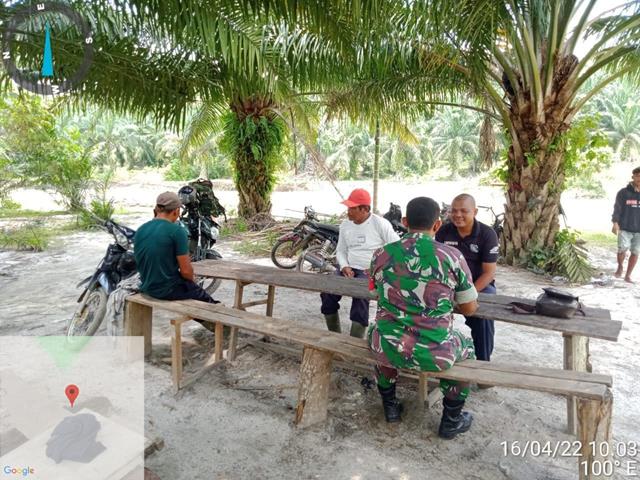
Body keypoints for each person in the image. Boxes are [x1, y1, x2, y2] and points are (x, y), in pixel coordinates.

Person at [368, 196, 478, 439]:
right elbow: (470, 308)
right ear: (437, 225)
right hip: (436, 354)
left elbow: (376, 293)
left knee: (378, 332)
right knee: (467, 345)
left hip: (387, 348)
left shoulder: (381, 254)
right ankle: (451, 420)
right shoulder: (452, 257)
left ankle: (390, 407)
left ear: (405, 222)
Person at [321, 188, 400, 338]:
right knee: (327, 293)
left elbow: (397, 248)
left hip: (370, 270)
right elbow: (341, 250)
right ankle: (335, 337)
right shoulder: (345, 225)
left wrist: (379, 268)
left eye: (352, 208)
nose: (348, 211)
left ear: (364, 209)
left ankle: (354, 341)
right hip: (348, 268)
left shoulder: (380, 224)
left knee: (361, 297)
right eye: (348, 208)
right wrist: (344, 266)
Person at [435, 193, 499, 363]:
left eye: (464, 211)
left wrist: (468, 293)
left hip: (479, 285)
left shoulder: (487, 234)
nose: (458, 215)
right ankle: (434, 355)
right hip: (449, 284)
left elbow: (489, 273)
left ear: (475, 212)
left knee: (482, 319)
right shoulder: (444, 231)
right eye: (454, 211)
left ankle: (483, 363)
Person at [135, 192, 218, 304]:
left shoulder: (141, 229)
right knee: (208, 302)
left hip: (146, 286)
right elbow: (186, 271)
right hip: (166, 290)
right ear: (176, 211)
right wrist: (192, 282)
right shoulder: (177, 231)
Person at [612, 166, 640, 283]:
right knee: (622, 249)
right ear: (633, 177)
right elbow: (617, 208)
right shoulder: (623, 192)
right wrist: (615, 223)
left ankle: (628, 275)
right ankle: (620, 266)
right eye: (637, 176)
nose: (639, 178)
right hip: (625, 227)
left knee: (635, 252)